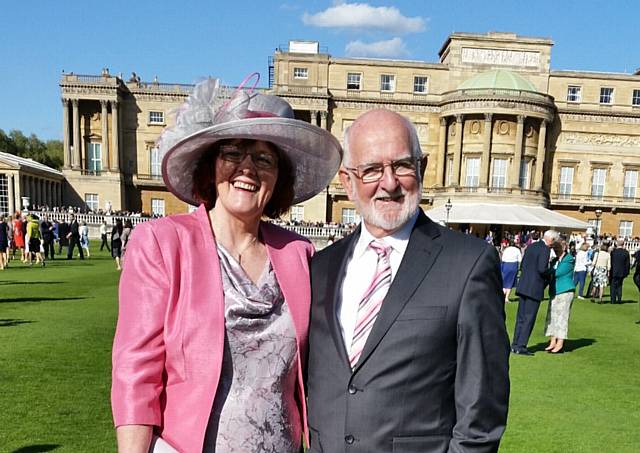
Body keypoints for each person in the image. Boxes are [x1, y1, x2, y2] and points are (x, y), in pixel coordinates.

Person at [111, 75, 341, 453]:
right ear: (209, 164)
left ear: (278, 177)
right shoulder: (163, 243)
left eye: (264, 158)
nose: (247, 168)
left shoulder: (299, 252)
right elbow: (136, 372)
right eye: (233, 152)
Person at [306, 109, 509, 453]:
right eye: (371, 170)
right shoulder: (320, 266)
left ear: (422, 168)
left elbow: (482, 411)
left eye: (401, 165)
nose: (389, 183)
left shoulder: (467, 263)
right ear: (347, 181)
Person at [511, 229, 559, 355]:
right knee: (529, 318)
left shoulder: (531, 246)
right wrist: (553, 270)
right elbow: (542, 269)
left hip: (524, 285)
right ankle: (521, 346)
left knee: (520, 317)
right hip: (534, 287)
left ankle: (515, 344)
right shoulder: (545, 249)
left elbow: (523, 265)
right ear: (551, 240)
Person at [544, 240, 576, 353]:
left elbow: (557, 273)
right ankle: (552, 341)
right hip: (554, 291)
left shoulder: (569, 259)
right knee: (552, 317)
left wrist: (548, 271)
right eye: (555, 249)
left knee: (562, 317)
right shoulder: (554, 260)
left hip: (565, 291)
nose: (556, 250)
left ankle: (560, 342)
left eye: (558, 248)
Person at [609, 239, 630, 304]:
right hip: (622, 272)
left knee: (613, 286)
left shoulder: (613, 252)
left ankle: (613, 300)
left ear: (617, 244)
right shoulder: (626, 252)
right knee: (619, 286)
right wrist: (626, 272)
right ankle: (619, 299)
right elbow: (627, 264)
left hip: (613, 271)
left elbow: (610, 262)